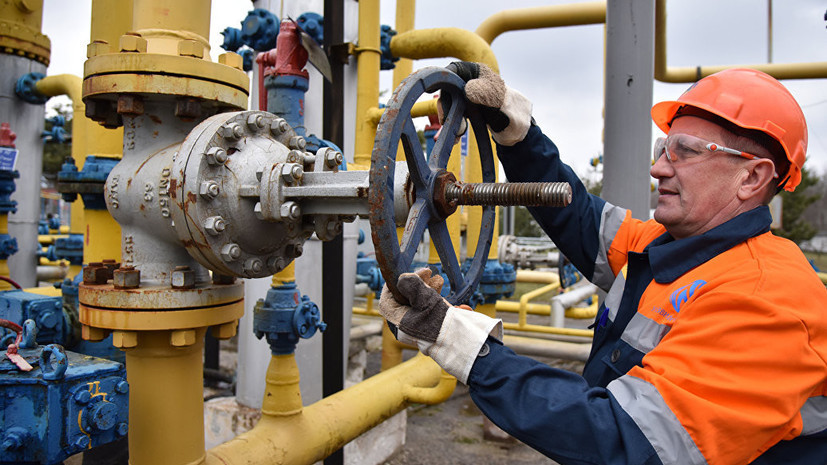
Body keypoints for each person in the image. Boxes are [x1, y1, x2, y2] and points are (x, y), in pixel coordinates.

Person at [378, 62, 827, 465]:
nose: (658, 169)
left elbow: (626, 440)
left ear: (752, 177)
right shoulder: (667, 246)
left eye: (685, 151)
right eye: (663, 148)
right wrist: (518, 135)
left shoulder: (768, 304)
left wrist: (465, 346)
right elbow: (580, 219)